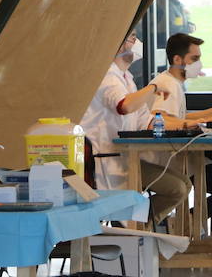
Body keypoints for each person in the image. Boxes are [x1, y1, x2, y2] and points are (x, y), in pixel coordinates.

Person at [79, 33, 189, 225]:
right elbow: (124, 106)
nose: (137, 43)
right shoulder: (106, 76)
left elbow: (147, 121)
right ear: (120, 45)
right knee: (176, 189)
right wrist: (153, 88)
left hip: (126, 158)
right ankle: (138, 224)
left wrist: (191, 124)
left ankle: (140, 223)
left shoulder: (127, 79)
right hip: (107, 162)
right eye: (132, 38)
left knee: (185, 184)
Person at [149, 33, 212, 232]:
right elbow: (159, 118)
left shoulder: (173, 83)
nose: (199, 64)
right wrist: (199, 122)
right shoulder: (166, 84)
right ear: (177, 60)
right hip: (166, 161)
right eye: (194, 59)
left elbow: (181, 117)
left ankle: (195, 219)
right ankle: (187, 220)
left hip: (179, 158)